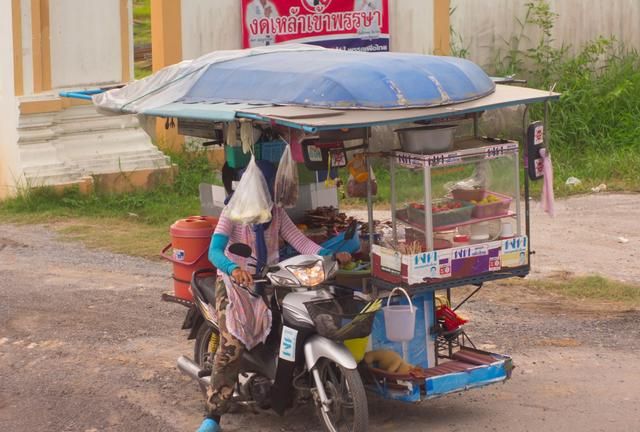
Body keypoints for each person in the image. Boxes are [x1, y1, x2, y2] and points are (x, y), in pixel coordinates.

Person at [196, 160, 350, 432]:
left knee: (287, 325)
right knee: (231, 346)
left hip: (268, 282)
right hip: (234, 285)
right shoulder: (232, 212)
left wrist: (328, 257)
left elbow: (300, 242)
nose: (267, 196)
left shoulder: (276, 213)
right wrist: (233, 269)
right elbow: (215, 251)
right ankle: (212, 416)